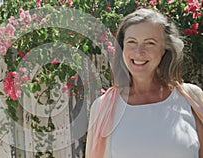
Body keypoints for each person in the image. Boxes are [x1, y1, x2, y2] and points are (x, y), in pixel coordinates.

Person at [86, 8, 203, 158]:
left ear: (165, 49)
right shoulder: (104, 108)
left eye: (150, 43)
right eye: (132, 42)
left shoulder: (192, 99)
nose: (139, 52)